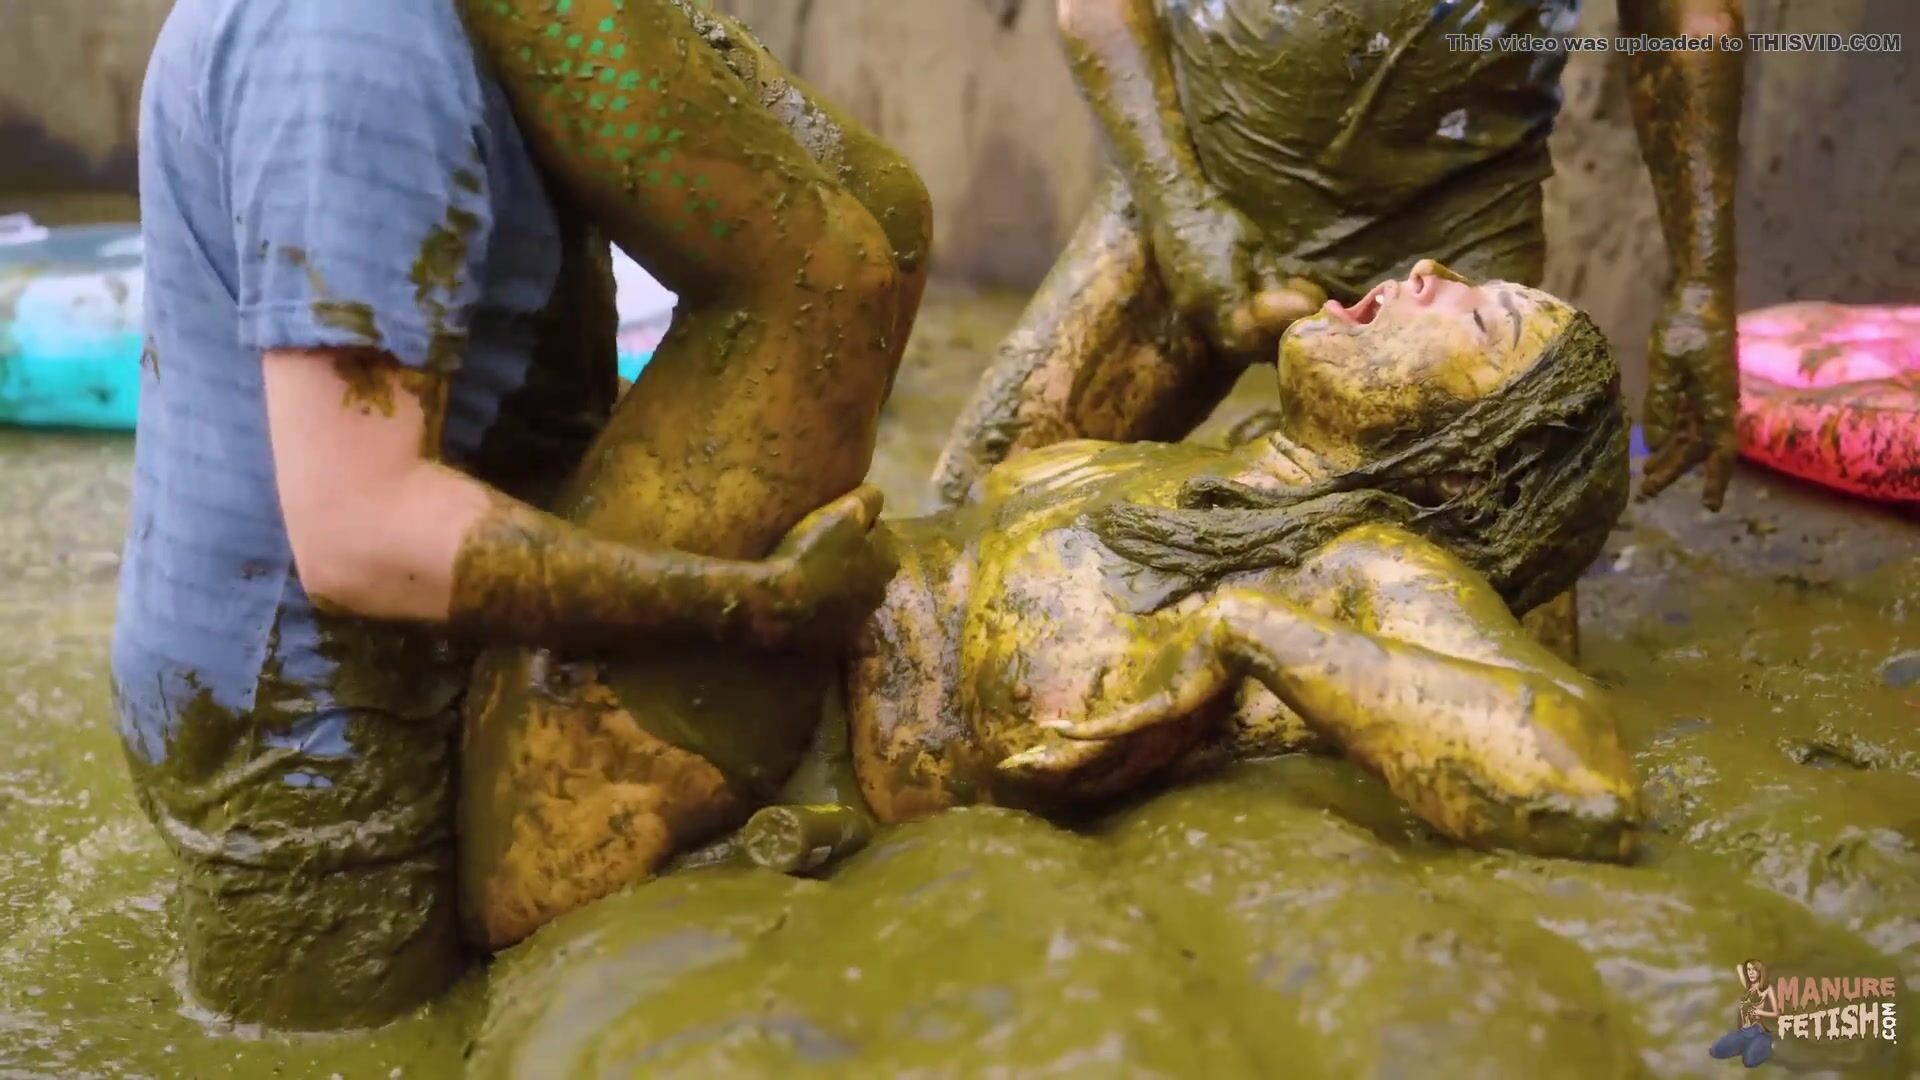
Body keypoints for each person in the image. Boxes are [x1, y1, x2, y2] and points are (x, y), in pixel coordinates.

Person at [115, 0, 922, 1028]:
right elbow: (360, 536)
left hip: (439, 621)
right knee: (357, 1042)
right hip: (311, 723)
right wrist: (752, 602)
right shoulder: (350, 42)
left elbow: (853, 219)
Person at [471, 262, 1644, 941]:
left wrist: (1247, 633)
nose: (1431, 277)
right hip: (691, 672)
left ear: (1463, 472)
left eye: (1477, 316)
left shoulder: (1365, 568)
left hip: (669, 772)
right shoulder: (1203, 466)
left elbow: (1579, 782)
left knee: (812, 266)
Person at [929, 0, 1745, 658]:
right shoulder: (1181, 205)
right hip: (1197, 182)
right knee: (962, 535)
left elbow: (1686, 17)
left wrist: (1701, 283)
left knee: (1505, 655)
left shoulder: (1452, 296)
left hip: (1456, 226)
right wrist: (1178, 206)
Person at [1710, 960, 1779, 1067]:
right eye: (1749, 970)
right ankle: (1745, 1047)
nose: (1751, 973)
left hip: (1758, 1032)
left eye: (1754, 970)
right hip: (1743, 1031)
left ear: (1760, 972)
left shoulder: (1767, 989)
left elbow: (1776, 1013)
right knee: (1715, 1051)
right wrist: (1747, 967)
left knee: (1749, 1062)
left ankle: (1767, 1045)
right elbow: (1739, 967)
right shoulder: (1748, 986)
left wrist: (1759, 1011)